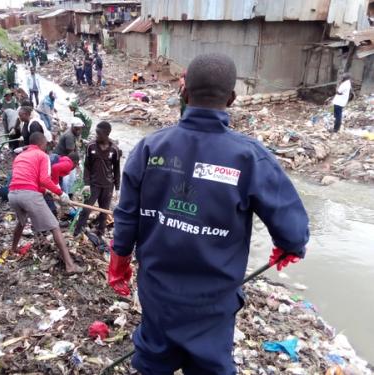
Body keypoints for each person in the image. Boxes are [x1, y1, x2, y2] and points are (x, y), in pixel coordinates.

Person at [108, 53, 310, 375]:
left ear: (184, 93)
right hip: (212, 303)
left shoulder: (149, 148)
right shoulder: (250, 158)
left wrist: (118, 264)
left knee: (152, 360)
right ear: (231, 98)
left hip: (158, 294)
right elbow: (293, 231)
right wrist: (287, 247)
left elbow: (126, 217)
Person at [8, 132, 83, 274]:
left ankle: (13, 248)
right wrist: (61, 193)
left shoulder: (20, 156)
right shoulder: (42, 155)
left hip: (12, 194)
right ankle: (70, 265)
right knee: (55, 226)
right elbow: (43, 179)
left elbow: (29, 178)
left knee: (21, 222)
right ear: (42, 144)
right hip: (28, 194)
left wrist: (44, 191)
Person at [73, 122, 120, 237]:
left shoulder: (114, 149)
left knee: (104, 211)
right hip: (93, 185)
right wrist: (87, 183)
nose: (96, 136)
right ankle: (77, 232)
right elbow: (87, 166)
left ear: (107, 134)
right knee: (86, 210)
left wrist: (117, 188)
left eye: (99, 134)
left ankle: (100, 233)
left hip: (108, 185)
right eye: (96, 133)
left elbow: (117, 169)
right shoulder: (91, 146)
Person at [54, 118, 84, 195]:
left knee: (71, 178)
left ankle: (68, 193)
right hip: (62, 158)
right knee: (67, 179)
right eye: (77, 129)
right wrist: (77, 163)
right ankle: (65, 194)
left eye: (80, 129)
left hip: (67, 157)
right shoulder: (69, 136)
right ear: (72, 127)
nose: (79, 131)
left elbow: (76, 147)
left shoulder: (75, 133)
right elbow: (71, 153)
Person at [46, 152, 80, 216]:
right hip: (45, 176)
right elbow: (55, 168)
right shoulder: (69, 164)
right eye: (77, 164)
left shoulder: (63, 160)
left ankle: (62, 211)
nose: (76, 167)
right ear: (75, 162)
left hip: (44, 176)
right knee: (50, 199)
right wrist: (56, 185)